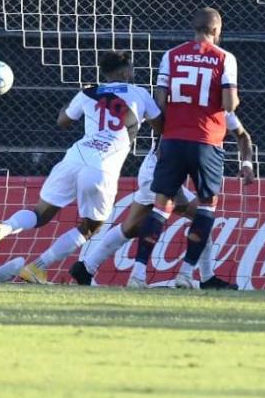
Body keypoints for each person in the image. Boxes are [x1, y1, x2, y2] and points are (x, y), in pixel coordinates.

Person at [0, 51, 162, 283]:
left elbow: (63, 120)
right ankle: (38, 266)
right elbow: (160, 126)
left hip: (75, 158)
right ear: (125, 71)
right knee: (91, 227)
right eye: (131, 68)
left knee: (40, 214)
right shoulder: (140, 93)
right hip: (102, 166)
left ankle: (4, 227)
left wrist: (78, 97)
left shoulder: (89, 92)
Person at [70, 112, 254, 289]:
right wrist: (174, 189)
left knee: (131, 227)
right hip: (159, 173)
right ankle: (205, 278)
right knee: (202, 218)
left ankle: (85, 268)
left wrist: (246, 164)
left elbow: (243, 135)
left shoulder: (217, 110)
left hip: (155, 171)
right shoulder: (184, 110)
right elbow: (163, 148)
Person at [129, 7, 240, 289]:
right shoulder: (225, 58)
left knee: (161, 207)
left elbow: (160, 100)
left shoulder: (171, 55)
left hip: (173, 140)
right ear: (216, 30)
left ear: (194, 28)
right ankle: (185, 274)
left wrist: (168, 131)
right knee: (206, 208)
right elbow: (229, 104)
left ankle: (138, 274)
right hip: (207, 142)